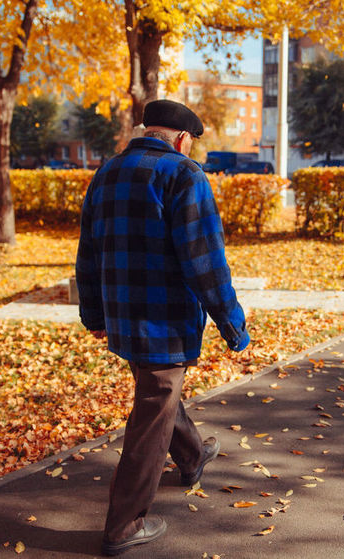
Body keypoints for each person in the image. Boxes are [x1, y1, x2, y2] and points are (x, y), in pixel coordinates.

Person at [75, 99, 250, 556]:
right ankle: (122, 527)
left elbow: (88, 254)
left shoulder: (107, 172)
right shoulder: (183, 174)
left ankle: (192, 458)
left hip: (123, 319)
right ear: (182, 139)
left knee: (158, 395)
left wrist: (93, 315)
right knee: (151, 417)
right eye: (191, 143)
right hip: (165, 323)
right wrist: (233, 325)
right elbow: (206, 263)